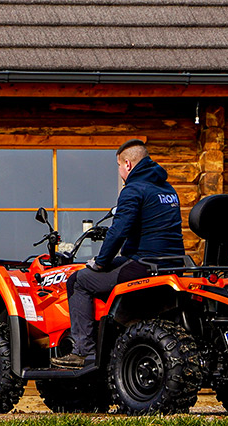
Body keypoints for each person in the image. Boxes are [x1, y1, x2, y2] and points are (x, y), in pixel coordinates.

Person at [52, 139, 184, 368]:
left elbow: (118, 231)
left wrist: (101, 262)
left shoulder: (133, 189)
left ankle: (83, 352)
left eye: (119, 167)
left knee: (78, 280)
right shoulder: (167, 189)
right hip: (171, 264)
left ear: (128, 164)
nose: (120, 172)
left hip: (143, 265)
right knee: (115, 266)